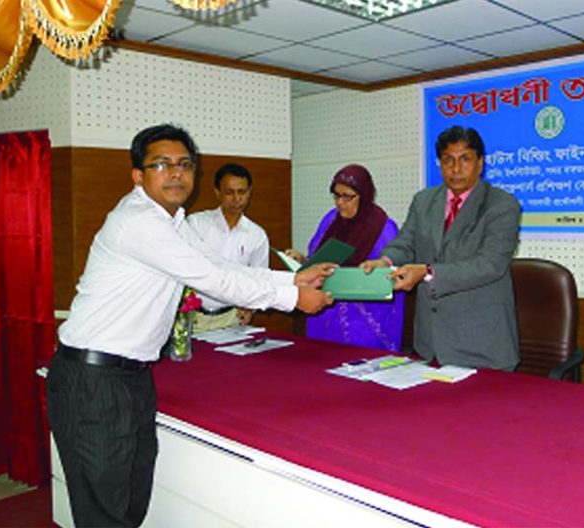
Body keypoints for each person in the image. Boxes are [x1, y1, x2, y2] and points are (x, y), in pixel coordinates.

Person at [47, 124, 333, 527]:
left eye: (184, 164)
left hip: (131, 377)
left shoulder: (173, 222)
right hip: (94, 380)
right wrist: (293, 300)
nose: (176, 173)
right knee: (103, 513)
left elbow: (222, 265)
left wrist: (293, 279)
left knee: (130, 502)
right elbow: (211, 280)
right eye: (161, 165)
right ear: (138, 175)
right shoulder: (138, 222)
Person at [361, 126, 521, 370]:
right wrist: (385, 261)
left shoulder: (502, 205)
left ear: (480, 163)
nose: (456, 169)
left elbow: (490, 265)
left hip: (481, 345)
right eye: (448, 160)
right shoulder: (424, 201)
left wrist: (426, 272)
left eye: (465, 159)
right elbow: (406, 242)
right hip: (430, 343)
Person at [286, 165, 404, 351]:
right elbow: (316, 259)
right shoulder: (330, 220)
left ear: (363, 196)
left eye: (347, 197)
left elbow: (390, 277)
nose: (340, 202)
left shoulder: (384, 228)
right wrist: (302, 261)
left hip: (365, 322)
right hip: (326, 313)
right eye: (336, 196)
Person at [188, 163, 269, 332]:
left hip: (232, 318)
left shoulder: (257, 235)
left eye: (242, 192)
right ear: (218, 192)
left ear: (249, 193)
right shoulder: (195, 224)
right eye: (229, 192)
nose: (236, 199)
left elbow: (259, 279)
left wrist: (250, 308)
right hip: (192, 317)